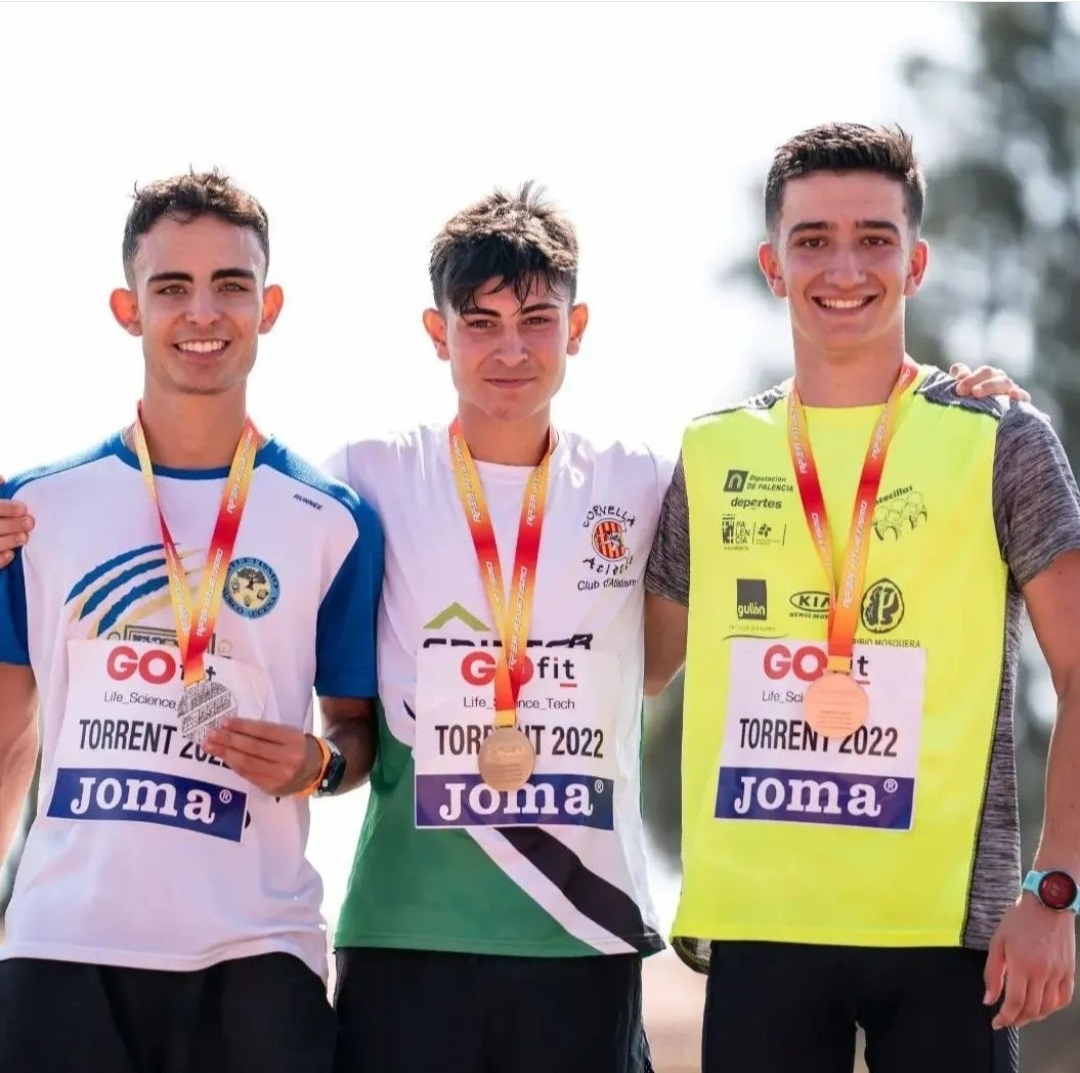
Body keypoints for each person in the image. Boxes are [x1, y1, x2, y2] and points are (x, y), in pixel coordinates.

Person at [0, 179, 1030, 1073]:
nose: (509, 347)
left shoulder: (649, 476)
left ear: (577, 330)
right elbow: (215, 503)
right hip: (403, 938)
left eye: (536, 318)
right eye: (480, 320)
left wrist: (946, 387)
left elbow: (785, 493)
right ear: (435, 331)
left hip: (580, 934)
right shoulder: (362, 481)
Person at [643, 122, 1080, 1073]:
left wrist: (1057, 892)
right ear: (772, 264)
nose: (845, 266)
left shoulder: (1001, 438)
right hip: (760, 929)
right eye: (813, 240)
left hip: (948, 939)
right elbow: (632, 666)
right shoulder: (711, 453)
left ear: (915, 261)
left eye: (875, 238)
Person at [0, 170, 383, 1073]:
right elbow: (10, 739)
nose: (202, 312)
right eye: (172, 286)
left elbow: (355, 734)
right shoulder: (34, 509)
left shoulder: (332, 518)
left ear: (270, 304)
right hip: (62, 949)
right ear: (128, 308)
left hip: (257, 952)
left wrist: (320, 763)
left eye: (231, 285)